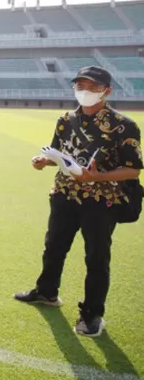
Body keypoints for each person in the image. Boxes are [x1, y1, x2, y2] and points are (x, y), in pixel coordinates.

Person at [14, 66, 142, 337]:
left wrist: (99, 177)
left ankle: (92, 314)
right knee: (54, 247)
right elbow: (58, 153)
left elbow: (133, 169)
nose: (85, 92)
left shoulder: (124, 126)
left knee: (96, 257)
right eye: (80, 86)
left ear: (107, 91)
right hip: (64, 194)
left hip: (101, 200)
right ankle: (47, 292)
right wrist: (43, 161)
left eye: (93, 87)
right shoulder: (65, 119)